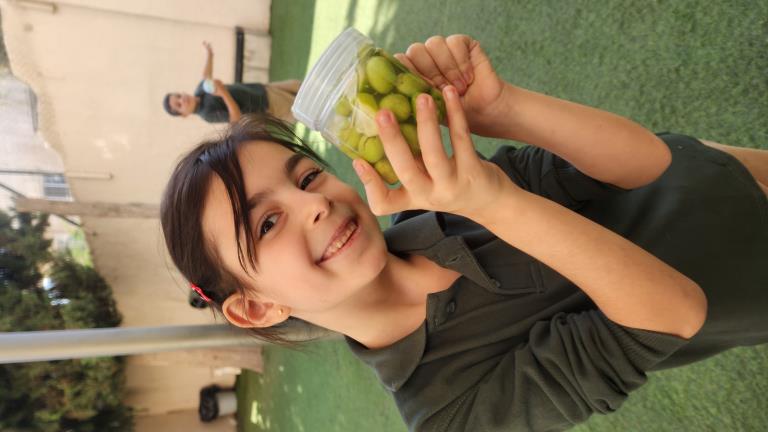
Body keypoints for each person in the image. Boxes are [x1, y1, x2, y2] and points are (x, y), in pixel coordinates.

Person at [160, 34, 768, 431]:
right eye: (267, 223)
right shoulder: (445, 406)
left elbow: (649, 161)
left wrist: (504, 110)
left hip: (721, 171)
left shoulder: (438, 213)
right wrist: (496, 203)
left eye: (307, 176)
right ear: (256, 307)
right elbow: (674, 310)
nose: (313, 204)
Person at [162, 41, 300, 124]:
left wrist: (210, 54)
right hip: (264, 104)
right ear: (184, 115)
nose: (182, 100)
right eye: (179, 105)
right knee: (299, 105)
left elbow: (206, 75)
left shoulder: (200, 90)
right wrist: (223, 92)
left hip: (260, 90)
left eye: (178, 96)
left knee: (297, 85)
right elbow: (235, 118)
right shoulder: (207, 114)